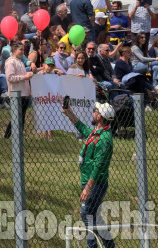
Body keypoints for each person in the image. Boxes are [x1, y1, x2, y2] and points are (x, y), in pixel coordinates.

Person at [61, 101, 116, 249]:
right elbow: (83, 128)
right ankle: (110, 246)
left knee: (86, 214)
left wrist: (88, 188)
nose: (93, 112)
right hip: (89, 182)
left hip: (95, 184)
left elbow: (98, 167)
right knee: (94, 216)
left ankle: (93, 246)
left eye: (95, 110)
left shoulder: (104, 139)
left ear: (100, 116)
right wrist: (70, 113)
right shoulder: (97, 132)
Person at [3, 41, 34, 139]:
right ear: (13, 50)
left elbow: (24, 79)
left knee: (21, 118)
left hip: (23, 94)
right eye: (20, 49)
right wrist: (24, 77)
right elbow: (10, 78)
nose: (22, 52)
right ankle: (7, 137)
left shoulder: (20, 62)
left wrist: (28, 91)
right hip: (16, 94)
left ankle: (18, 137)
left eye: (23, 50)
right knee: (16, 118)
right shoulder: (10, 62)